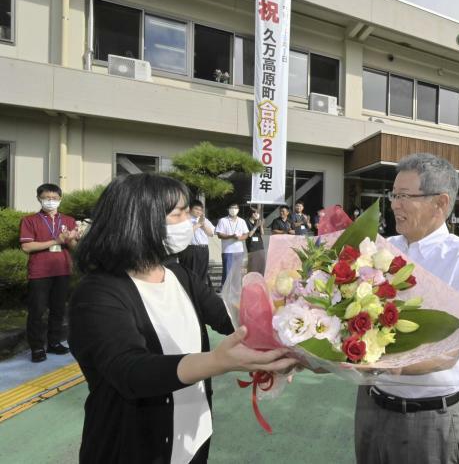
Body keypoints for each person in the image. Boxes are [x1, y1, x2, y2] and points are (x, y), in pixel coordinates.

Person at [68, 173, 296, 463]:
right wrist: (218, 362)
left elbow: (231, 318)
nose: (190, 221)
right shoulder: (97, 294)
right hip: (133, 447)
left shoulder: (179, 275)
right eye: (179, 213)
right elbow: (130, 370)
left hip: (193, 436)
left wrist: (297, 336)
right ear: (140, 221)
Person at [355, 153, 459, 464]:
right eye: (393, 195)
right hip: (370, 405)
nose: (394, 204)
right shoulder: (382, 248)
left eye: (404, 196)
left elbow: (451, 350)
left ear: (440, 203)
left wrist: (387, 362)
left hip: (428, 418)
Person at [19, 183, 79, 363]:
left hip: (62, 270)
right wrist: (55, 240)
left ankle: (54, 343)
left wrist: (70, 239)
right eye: (47, 198)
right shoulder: (30, 220)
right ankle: (37, 347)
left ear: (60, 199)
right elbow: (27, 246)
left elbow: (74, 247)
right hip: (40, 272)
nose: (50, 201)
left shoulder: (68, 220)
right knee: (37, 311)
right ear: (39, 198)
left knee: (58, 309)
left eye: (54, 198)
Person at [179, 200, 215, 286]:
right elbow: (186, 233)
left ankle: (200, 291)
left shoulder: (204, 220)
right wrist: (198, 225)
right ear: (190, 209)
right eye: (196, 209)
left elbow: (211, 233)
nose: (199, 211)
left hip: (203, 249)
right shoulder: (185, 219)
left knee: (202, 272)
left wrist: (203, 225)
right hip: (190, 249)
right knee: (190, 272)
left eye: (200, 210)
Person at [215, 203, 250, 285]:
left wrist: (240, 238)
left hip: (239, 251)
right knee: (227, 271)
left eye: (235, 208)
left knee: (238, 272)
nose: (233, 209)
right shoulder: (223, 220)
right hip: (227, 250)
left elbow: (246, 234)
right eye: (231, 208)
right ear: (228, 209)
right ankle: (225, 290)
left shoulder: (242, 221)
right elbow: (219, 235)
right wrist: (231, 236)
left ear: (238, 210)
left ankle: (236, 289)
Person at [245, 206, 265, 274]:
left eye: (257, 213)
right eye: (254, 213)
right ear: (251, 213)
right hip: (252, 248)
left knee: (261, 266)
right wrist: (256, 226)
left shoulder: (258, 221)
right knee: (253, 267)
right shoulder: (246, 222)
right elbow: (249, 235)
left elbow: (262, 233)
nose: (256, 214)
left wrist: (261, 225)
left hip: (260, 246)